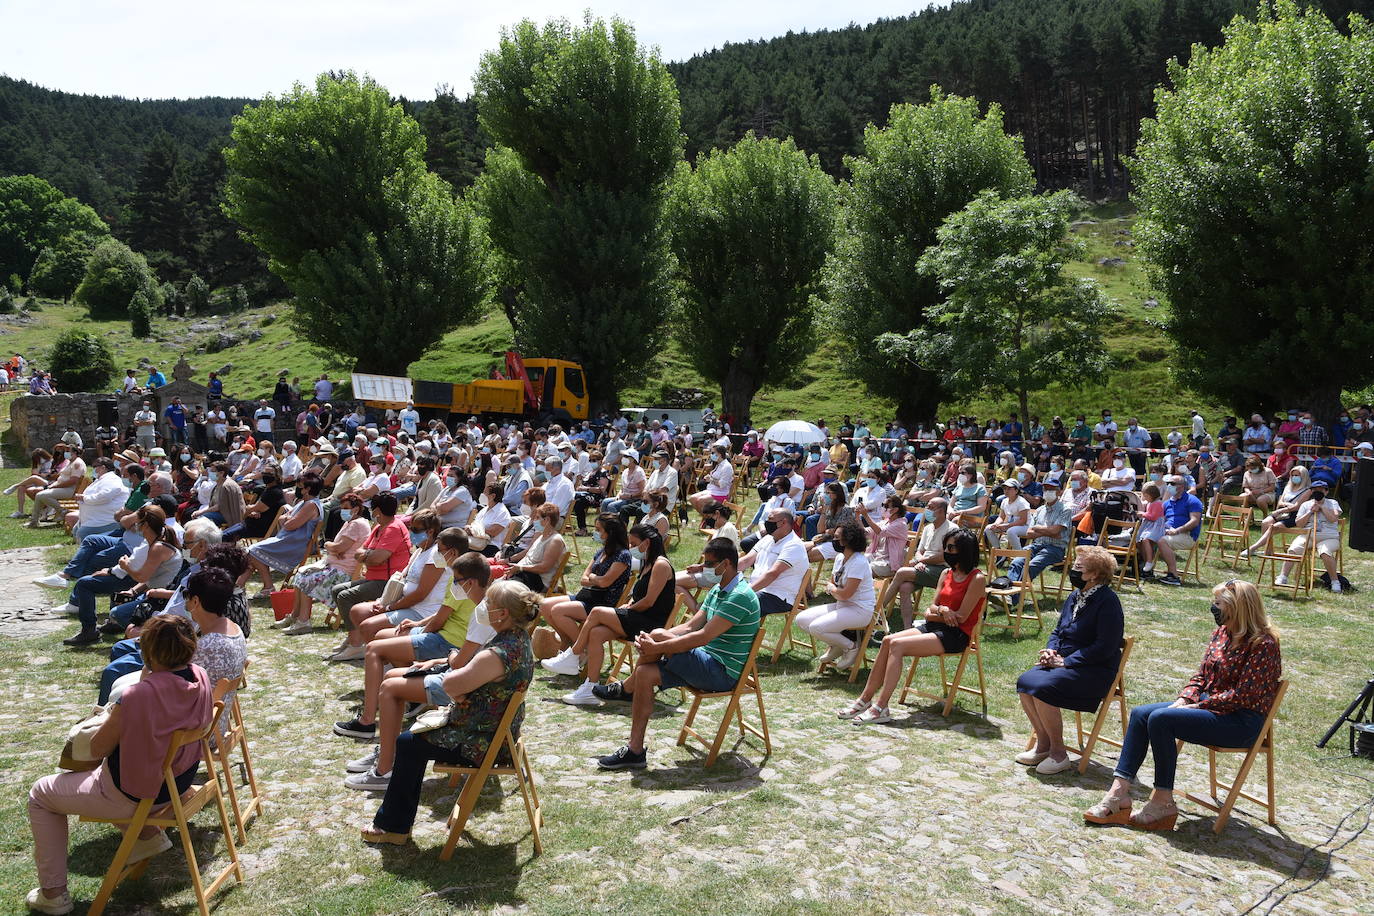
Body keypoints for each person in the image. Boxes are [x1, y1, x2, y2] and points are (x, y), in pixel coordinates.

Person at [24, 615, 211, 915]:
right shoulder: (200, 676)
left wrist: (124, 701)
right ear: (190, 648)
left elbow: (98, 748)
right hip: (175, 786)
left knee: (41, 794)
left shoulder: (138, 695)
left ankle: (53, 894)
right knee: (105, 772)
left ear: (149, 652)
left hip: (134, 795)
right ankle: (147, 836)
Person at [1085, 580, 1281, 830]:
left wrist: (1197, 707)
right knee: (1141, 714)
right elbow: (1201, 676)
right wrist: (1184, 699)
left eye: (1218, 604)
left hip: (1241, 721)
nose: (1214, 608)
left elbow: (1243, 695)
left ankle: (1162, 801)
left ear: (1237, 607)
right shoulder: (1222, 634)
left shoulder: (1263, 644)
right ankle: (1118, 793)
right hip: (1209, 708)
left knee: (1162, 719)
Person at [360, 579, 536, 844]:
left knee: (407, 743)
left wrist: (461, 687)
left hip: (481, 742)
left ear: (503, 614)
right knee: (412, 738)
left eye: (490, 603)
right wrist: (462, 687)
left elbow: (451, 683)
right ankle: (395, 825)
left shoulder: (498, 652)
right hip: (495, 731)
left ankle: (393, 827)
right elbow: (462, 682)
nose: (484, 607)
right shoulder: (519, 640)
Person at [595, 537, 760, 770]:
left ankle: (626, 689)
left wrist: (659, 644)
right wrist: (655, 639)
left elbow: (703, 637)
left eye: (709, 564)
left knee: (660, 637)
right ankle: (635, 750)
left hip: (721, 672)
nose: (705, 569)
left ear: (727, 563)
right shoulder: (718, 589)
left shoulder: (739, 596)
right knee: (644, 672)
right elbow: (691, 626)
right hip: (704, 661)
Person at [838, 529, 985, 725]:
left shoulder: (977, 578)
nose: (946, 552)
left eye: (951, 548)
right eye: (946, 547)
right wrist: (941, 610)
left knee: (897, 646)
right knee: (887, 640)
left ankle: (881, 707)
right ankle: (865, 699)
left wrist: (936, 613)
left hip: (956, 635)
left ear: (965, 550)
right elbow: (932, 607)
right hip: (935, 626)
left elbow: (961, 618)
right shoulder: (946, 573)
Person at [1015, 546, 1125, 773]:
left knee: (1043, 687)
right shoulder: (1077, 595)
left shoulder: (1108, 601)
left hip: (1094, 669)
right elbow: (1058, 631)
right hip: (1065, 662)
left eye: (1078, 568)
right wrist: (1051, 651)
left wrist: (1067, 661)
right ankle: (1043, 745)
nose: (1072, 571)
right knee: (1026, 682)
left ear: (1094, 575)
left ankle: (1059, 752)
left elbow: (1105, 646)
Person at [559, 525, 676, 705]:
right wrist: (628, 605)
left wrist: (625, 610)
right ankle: (590, 688)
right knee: (596, 633)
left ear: (647, 543)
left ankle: (574, 655)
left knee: (597, 611)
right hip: (637, 618)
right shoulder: (648, 562)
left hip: (649, 623)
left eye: (634, 543)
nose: (630, 547)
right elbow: (640, 597)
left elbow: (649, 602)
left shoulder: (660, 564)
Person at [331, 510, 450, 662]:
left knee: (368, 626)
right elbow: (403, 579)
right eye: (410, 528)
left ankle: (387, 661)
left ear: (430, 531)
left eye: (415, 529)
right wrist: (384, 601)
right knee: (357, 611)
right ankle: (370, 651)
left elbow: (421, 594)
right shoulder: (420, 550)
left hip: (421, 611)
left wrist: (389, 607)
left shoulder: (435, 555)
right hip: (406, 603)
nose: (411, 532)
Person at [62, 504, 182, 646]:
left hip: (159, 598)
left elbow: (142, 576)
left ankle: (92, 631)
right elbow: (150, 577)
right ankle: (117, 627)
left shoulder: (157, 547)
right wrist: (133, 589)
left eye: (137, 522)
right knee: (95, 587)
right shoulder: (156, 541)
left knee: (86, 586)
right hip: (151, 591)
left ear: (145, 525)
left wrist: (124, 567)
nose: (135, 526)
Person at [540, 516, 633, 668]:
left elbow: (605, 582)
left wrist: (593, 577)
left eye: (598, 530)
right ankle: (567, 641)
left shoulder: (623, 555)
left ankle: (581, 651)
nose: (595, 533)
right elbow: (583, 578)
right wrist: (596, 578)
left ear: (610, 532)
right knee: (544, 605)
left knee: (558, 611)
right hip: (587, 595)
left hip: (602, 603)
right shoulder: (602, 551)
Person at [277, 492, 369, 634]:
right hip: (335, 566)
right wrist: (334, 547)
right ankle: (296, 616)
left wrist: (327, 545)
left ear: (355, 509)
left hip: (343, 572)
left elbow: (339, 547)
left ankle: (303, 621)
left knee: (306, 579)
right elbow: (338, 547)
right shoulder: (350, 523)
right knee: (301, 575)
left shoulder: (357, 524)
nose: (342, 511)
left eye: (346, 508)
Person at [796, 520, 875, 670]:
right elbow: (834, 586)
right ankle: (837, 644)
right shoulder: (840, 558)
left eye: (837, 537)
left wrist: (833, 589)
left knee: (816, 627)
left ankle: (851, 647)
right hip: (842, 605)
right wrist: (834, 589)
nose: (834, 540)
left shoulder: (858, 562)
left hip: (860, 610)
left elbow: (844, 593)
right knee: (801, 619)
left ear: (848, 540)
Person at [877, 497, 954, 629]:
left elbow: (946, 557)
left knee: (901, 572)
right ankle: (907, 627)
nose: (927, 510)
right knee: (904, 587)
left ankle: (877, 611)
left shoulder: (952, 529)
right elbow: (919, 551)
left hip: (943, 571)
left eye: (930, 507)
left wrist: (920, 560)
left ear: (941, 511)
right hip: (925, 567)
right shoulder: (928, 528)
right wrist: (919, 560)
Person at [242, 476, 324, 593]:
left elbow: (289, 525)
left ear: (307, 489)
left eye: (300, 485)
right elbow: (282, 519)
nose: (298, 488)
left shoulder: (311, 505)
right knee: (251, 554)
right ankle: (239, 585)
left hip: (295, 543)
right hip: (287, 539)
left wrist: (287, 519)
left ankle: (268, 586)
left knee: (253, 550)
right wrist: (288, 519)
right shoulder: (303, 503)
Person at [738, 507, 809, 617]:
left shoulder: (793, 545)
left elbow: (772, 574)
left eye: (770, 519)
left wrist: (746, 592)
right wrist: (722, 573)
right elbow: (746, 560)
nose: (767, 523)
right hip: (757, 588)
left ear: (783, 522)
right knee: (721, 594)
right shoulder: (768, 539)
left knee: (734, 604)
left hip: (777, 596)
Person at [1007, 479, 1073, 590]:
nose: (1047, 492)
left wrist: (1039, 529)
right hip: (1036, 545)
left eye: (1051, 489)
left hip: (1055, 549)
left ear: (1059, 492)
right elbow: (1029, 533)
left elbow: (1055, 531)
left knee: (1031, 566)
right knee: (1016, 562)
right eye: (1046, 489)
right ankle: (1006, 590)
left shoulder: (1065, 510)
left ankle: (1011, 596)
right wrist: (1049, 531)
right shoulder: (1040, 510)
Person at [1278, 485, 1343, 590]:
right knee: (1293, 549)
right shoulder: (1305, 505)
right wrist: (1310, 512)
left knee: (1325, 552)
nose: (1317, 492)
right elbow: (1299, 524)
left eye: (1321, 490)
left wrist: (1322, 507)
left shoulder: (1333, 503)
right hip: (1308, 536)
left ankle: (1335, 582)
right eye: (1315, 490)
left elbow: (1333, 519)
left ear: (1326, 492)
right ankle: (1283, 577)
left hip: (1329, 537)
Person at [1241, 466, 1311, 559]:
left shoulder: (1307, 490)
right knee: (1265, 522)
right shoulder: (1288, 487)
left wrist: (1283, 508)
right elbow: (1280, 502)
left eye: (1297, 475)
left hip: (1296, 516)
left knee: (1272, 528)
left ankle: (1253, 548)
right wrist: (1286, 506)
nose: (1295, 477)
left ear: (1304, 477)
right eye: (1293, 475)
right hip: (1282, 513)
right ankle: (1268, 550)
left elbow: (1296, 507)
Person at [1153, 474, 1203, 586]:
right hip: (1168, 532)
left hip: (1187, 535)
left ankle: (1174, 576)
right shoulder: (1167, 503)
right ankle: (1145, 570)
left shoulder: (1193, 501)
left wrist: (1177, 530)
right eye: (1168, 483)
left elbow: (1194, 521)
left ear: (1181, 486)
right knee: (1145, 538)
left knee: (1162, 541)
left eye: (1172, 483)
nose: (1169, 486)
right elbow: (1161, 520)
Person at [505, 504, 567, 594]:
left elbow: (544, 568)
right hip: (525, 574)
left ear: (547, 520)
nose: (534, 520)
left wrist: (520, 568)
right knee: (498, 584)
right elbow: (528, 558)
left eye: (538, 517)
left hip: (538, 580)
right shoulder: (541, 537)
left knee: (504, 590)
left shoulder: (555, 540)